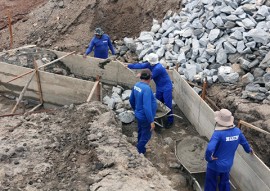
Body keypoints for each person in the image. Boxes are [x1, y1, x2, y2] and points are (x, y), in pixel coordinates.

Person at [204, 109, 253, 191]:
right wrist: (249, 150)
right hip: (227, 165)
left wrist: (209, 158)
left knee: (210, 183)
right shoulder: (238, 132)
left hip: (215, 165)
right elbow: (245, 144)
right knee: (225, 183)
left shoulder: (218, 134)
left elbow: (209, 149)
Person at [127, 53, 174, 128]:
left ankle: (170, 120)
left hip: (166, 87)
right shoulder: (150, 64)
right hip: (159, 86)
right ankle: (157, 116)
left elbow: (149, 77)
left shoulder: (158, 68)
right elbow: (141, 65)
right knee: (158, 102)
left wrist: (141, 75)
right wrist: (128, 65)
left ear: (152, 62)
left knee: (167, 105)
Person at [129, 69, 157, 154]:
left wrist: (136, 110)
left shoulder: (137, 85)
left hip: (139, 115)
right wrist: (151, 121)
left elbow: (131, 99)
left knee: (141, 130)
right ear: (149, 78)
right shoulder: (146, 89)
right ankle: (138, 151)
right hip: (145, 117)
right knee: (146, 135)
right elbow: (147, 107)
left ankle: (142, 149)